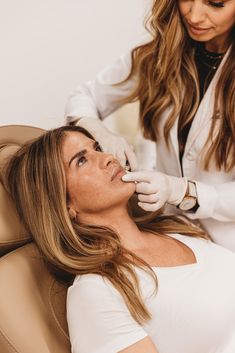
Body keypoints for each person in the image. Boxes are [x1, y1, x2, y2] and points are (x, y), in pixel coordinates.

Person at [4, 125, 235, 353]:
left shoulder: (176, 228)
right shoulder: (96, 292)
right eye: (81, 160)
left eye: (97, 148)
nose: (107, 157)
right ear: (64, 204)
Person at [65, 0, 235, 251]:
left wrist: (184, 191)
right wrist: (97, 129)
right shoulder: (159, 56)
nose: (195, 16)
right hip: (173, 231)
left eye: (216, 4)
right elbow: (84, 96)